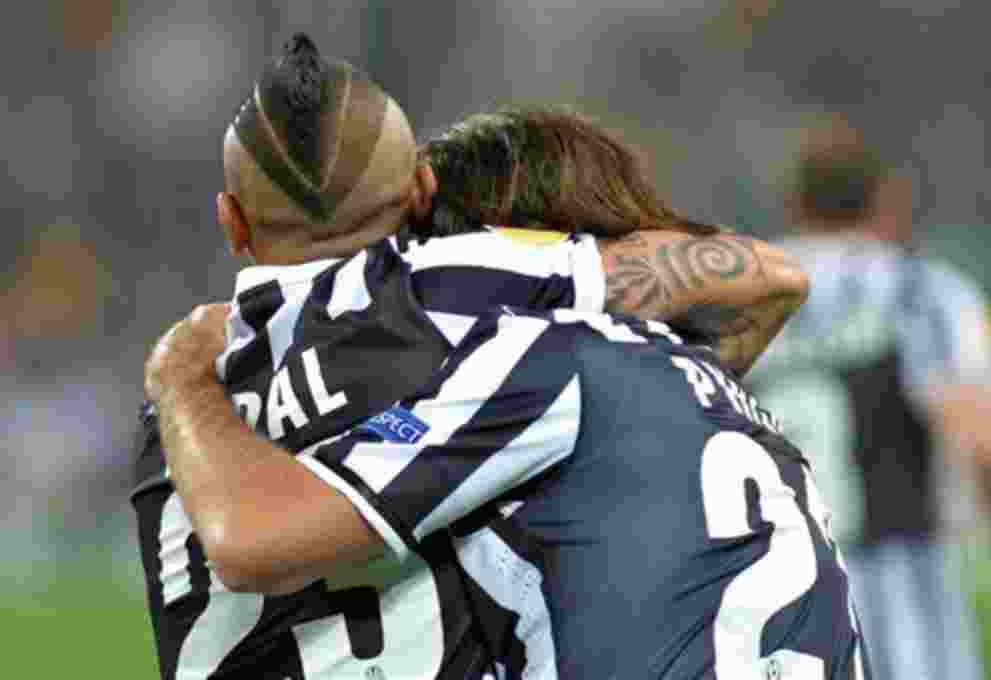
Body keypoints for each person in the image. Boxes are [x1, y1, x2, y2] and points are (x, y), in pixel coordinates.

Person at [132, 34, 814, 679]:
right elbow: (766, 278)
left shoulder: (181, 413)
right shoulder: (457, 285)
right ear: (422, 190)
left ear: (232, 221)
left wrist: (179, 375)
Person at [745, 114, 991, 680]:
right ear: (886, 200)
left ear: (794, 203)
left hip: (775, 628)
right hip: (908, 626)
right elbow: (984, 444)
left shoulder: (743, 299)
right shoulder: (919, 292)